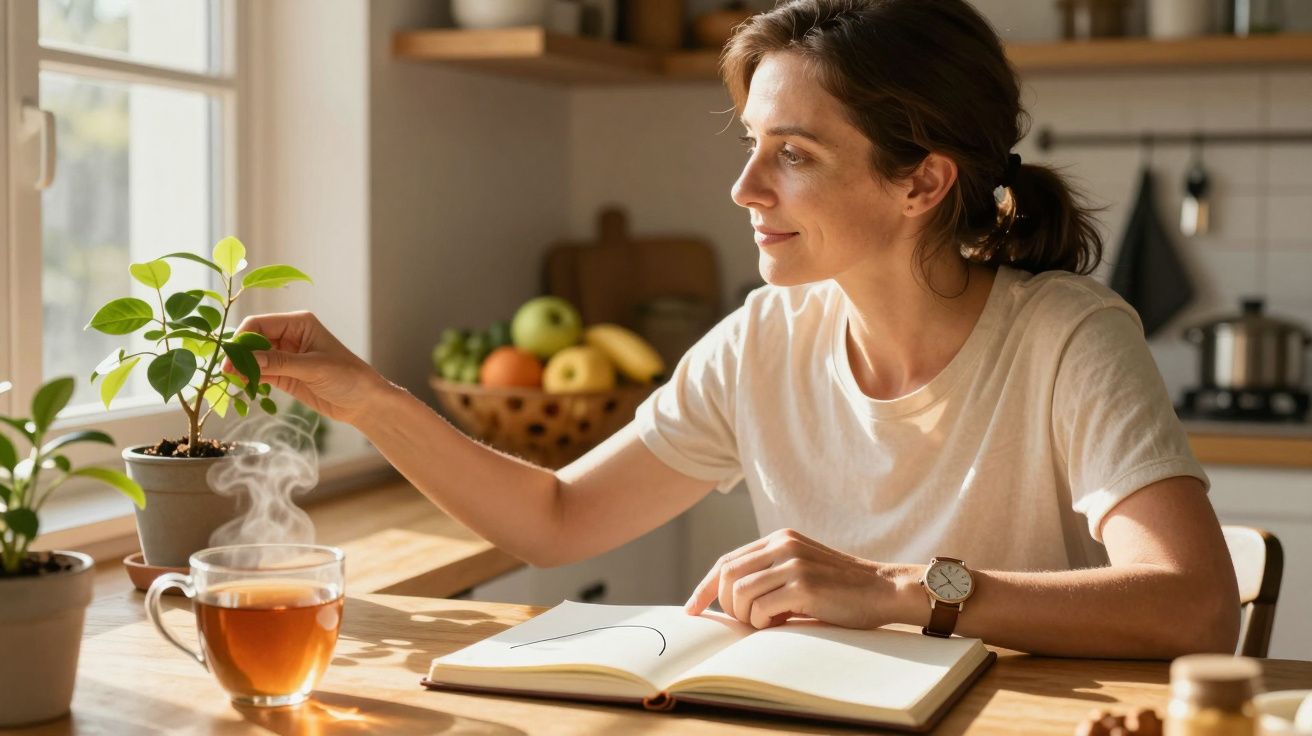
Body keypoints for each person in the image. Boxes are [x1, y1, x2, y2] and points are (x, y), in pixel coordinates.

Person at [234, 0, 1238, 658]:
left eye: (792, 153)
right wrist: (367, 397)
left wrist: (893, 589)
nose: (744, 187)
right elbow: (553, 519)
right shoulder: (763, 341)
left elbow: (1188, 601)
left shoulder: (1068, 335)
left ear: (921, 181)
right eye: (754, 146)